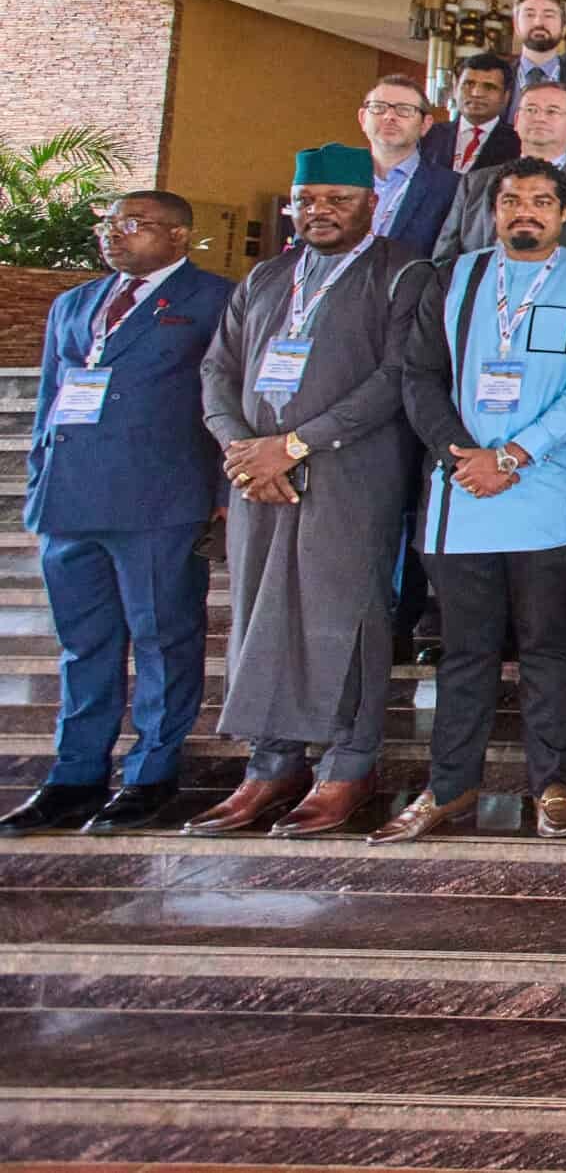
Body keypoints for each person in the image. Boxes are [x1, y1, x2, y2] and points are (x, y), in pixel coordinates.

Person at [379, 159, 566, 844]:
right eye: (513, 199)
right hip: (462, 497)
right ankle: (450, 786)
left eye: (542, 201)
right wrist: (463, 454)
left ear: (563, 214)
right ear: (492, 210)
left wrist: (513, 456)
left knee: (548, 647)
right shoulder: (454, 278)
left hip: (546, 493)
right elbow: (421, 377)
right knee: (465, 652)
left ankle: (553, 783)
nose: (527, 211)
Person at [187, 149, 426, 840]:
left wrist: (294, 444)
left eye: (338, 200)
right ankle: (272, 765)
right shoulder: (266, 276)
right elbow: (217, 369)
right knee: (262, 611)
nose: (320, 211)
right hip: (258, 479)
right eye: (307, 199)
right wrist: (243, 447)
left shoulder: (403, 272)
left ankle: (349, 766)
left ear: (370, 203)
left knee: (346, 615)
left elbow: (395, 377)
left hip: (351, 474)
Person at [0, 192, 229, 838]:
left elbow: (227, 396)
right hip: (73, 501)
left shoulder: (212, 299)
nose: (115, 235)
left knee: (163, 637)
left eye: (135, 224)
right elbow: (51, 395)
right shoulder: (75, 303)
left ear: (180, 235)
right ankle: (74, 776)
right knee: (83, 646)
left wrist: (220, 494)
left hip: (158, 498)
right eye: (110, 223)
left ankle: (152, 773)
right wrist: (42, 480)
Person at [435, 80, 566, 271]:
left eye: (552, 111)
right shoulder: (475, 182)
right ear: (517, 120)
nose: (539, 118)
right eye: (531, 110)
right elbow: (444, 259)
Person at [359, 73, 461, 257]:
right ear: (362, 118)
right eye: (379, 108)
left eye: (404, 110)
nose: (389, 116)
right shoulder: (335, 176)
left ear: (425, 125)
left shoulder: (450, 188)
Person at [421, 51, 521, 173]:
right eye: (468, 84)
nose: (476, 93)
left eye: (489, 87)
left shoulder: (518, 143)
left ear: (506, 96)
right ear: (455, 88)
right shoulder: (427, 135)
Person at [503, 0, 566, 108]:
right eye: (529, 15)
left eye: (548, 15)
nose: (538, 22)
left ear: (564, 27)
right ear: (516, 25)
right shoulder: (499, 75)